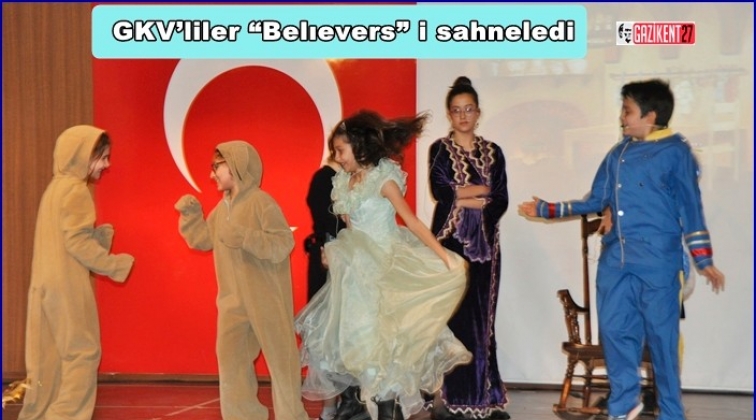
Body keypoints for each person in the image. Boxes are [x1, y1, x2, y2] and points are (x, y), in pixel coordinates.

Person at [518, 78, 725, 420]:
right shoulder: (618, 153)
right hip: (616, 261)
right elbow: (596, 199)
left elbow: (691, 208)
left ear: (651, 116)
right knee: (615, 332)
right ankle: (624, 404)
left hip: (658, 262)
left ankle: (671, 413)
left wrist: (704, 261)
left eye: (627, 111)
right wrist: (548, 209)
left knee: (662, 341)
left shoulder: (676, 152)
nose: (621, 117)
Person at [295, 110, 472, 420]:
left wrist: (443, 256)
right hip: (357, 276)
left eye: (341, 150)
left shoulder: (383, 179)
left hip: (387, 266)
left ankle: (395, 409)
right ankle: (383, 408)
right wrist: (332, 252)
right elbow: (349, 230)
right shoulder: (343, 183)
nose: (337, 157)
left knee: (391, 342)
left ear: (359, 147)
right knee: (363, 345)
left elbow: (412, 221)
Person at [174, 141, 309, 420]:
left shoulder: (261, 202)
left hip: (266, 299)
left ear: (235, 166)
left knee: (281, 362)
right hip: (232, 302)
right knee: (232, 363)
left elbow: (282, 243)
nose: (211, 174)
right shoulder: (221, 208)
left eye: (216, 167)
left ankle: (292, 416)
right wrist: (191, 216)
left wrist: (245, 238)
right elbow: (203, 239)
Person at [18, 125, 135, 420]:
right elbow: (77, 244)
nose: (107, 164)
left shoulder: (54, 189)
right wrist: (114, 264)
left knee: (47, 360)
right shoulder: (76, 190)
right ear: (83, 156)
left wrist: (98, 238)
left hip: (44, 286)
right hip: (67, 286)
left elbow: (65, 239)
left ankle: (37, 415)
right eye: (103, 157)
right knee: (83, 353)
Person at [427, 76, 510, 420]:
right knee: (453, 320)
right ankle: (450, 399)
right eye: (457, 110)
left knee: (483, 321)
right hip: (450, 245)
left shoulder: (494, 152)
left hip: (486, 248)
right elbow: (441, 192)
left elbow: (500, 199)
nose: (463, 116)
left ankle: (486, 398)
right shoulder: (440, 150)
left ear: (478, 113)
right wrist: (480, 191)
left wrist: (464, 194)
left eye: (469, 109)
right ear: (449, 114)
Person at [304, 155, 346, 420]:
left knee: (348, 334)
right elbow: (327, 222)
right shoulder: (324, 178)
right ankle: (330, 404)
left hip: (350, 262)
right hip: (329, 261)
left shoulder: (358, 177)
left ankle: (350, 401)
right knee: (326, 332)